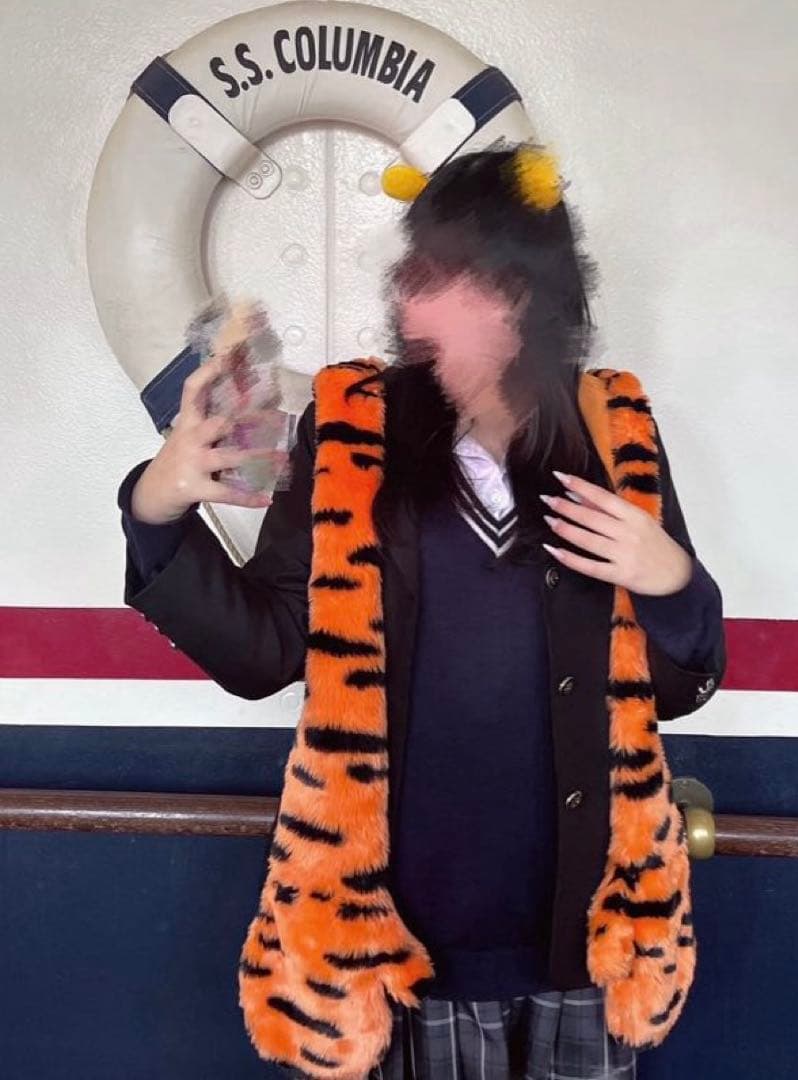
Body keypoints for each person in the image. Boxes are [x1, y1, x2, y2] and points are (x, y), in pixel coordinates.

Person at [116, 143, 726, 1080]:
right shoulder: (351, 430)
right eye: (410, 272)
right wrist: (156, 513)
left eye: (439, 277)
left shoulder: (613, 434)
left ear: (521, 293)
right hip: (407, 938)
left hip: (588, 936)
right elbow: (266, 650)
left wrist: (672, 581)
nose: (406, 302)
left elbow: (675, 692)